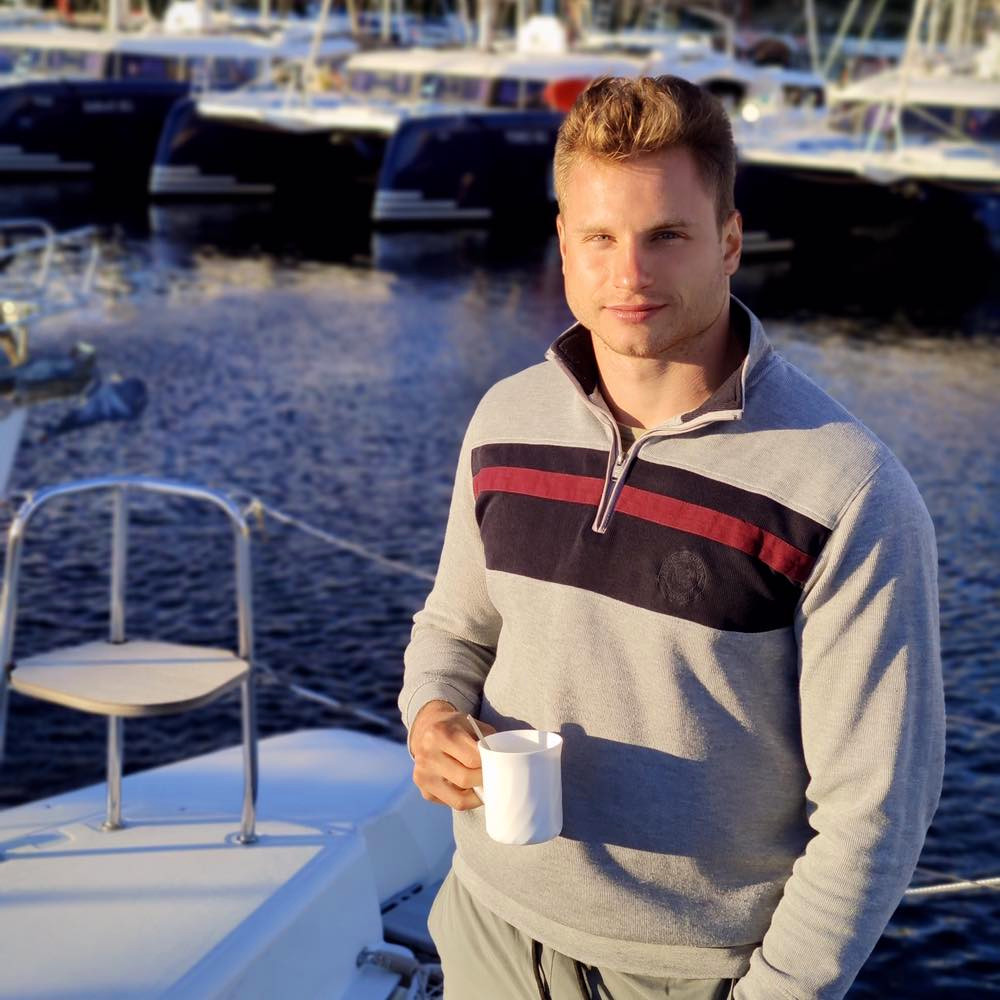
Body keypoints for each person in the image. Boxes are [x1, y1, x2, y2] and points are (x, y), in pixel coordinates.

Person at [399, 75, 945, 1000]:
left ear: (729, 242)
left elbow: (876, 810)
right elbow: (455, 628)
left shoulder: (846, 490)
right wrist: (431, 714)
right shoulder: (504, 419)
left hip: (691, 977)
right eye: (600, 238)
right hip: (486, 928)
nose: (629, 275)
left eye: (666, 236)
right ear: (563, 243)